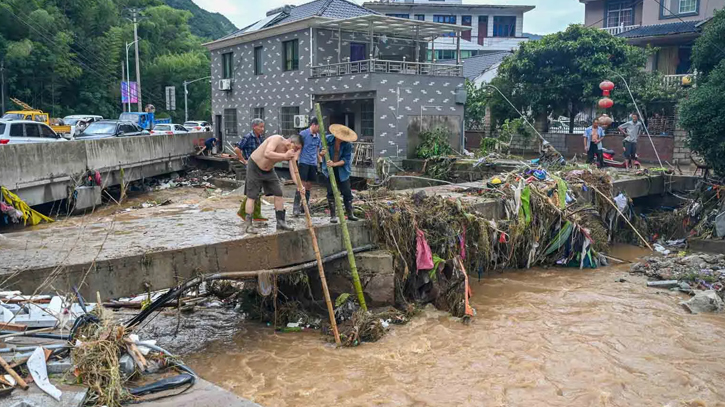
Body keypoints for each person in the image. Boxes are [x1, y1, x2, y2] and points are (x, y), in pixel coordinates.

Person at [242, 134, 304, 234]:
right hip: (255, 166)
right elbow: (267, 153)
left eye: (298, 149)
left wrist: (299, 185)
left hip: (269, 170)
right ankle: (248, 225)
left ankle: (280, 222)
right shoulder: (277, 139)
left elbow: (293, 169)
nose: (296, 151)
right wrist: (284, 156)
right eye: (296, 148)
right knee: (252, 195)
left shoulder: (291, 152)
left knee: (278, 193)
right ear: (290, 142)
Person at [321, 124, 358, 224]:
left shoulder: (347, 145)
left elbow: (346, 160)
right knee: (331, 192)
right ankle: (333, 216)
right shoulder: (327, 140)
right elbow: (319, 152)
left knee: (347, 192)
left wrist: (334, 164)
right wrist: (322, 153)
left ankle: (350, 214)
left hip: (342, 170)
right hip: (329, 169)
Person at [235, 119, 266, 221]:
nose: (262, 129)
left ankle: (256, 213)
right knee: (253, 190)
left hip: (259, 165)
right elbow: (237, 149)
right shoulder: (248, 137)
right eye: (260, 127)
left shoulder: (260, 138)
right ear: (254, 127)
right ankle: (244, 212)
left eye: (263, 127)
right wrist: (244, 161)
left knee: (259, 190)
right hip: (251, 166)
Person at [293, 117, 322, 216]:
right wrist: (295, 159)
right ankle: (296, 207)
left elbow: (317, 151)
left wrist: (320, 162)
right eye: (318, 126)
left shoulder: (318, 137)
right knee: (302, 185)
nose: (319, 129)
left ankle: (304, 206)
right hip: (304, 162)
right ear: (313, 124)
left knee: (309, 185)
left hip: (313, 163)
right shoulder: (303, 134)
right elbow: (297, 147)